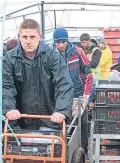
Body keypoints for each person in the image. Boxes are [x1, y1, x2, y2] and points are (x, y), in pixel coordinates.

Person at [3, 19, 74, 129]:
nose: (28, 41)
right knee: (13, 144)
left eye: (32, 37)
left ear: (40, 36)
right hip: (19, 121)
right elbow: (5, 86)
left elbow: (64, 84)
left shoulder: (52, 57)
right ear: (19, 37)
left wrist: (61, 111)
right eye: (24, 37)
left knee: (53, 145)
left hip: (49, 119)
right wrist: (9, 109)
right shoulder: (10, 58)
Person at [53, 28, 93, 156]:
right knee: (61, 124)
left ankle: (84, 152)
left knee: (82, 124)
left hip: (78, 95)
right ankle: (61, 152)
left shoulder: (77, 52)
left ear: (67, 40)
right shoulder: (50, 54)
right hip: (59, 97)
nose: (61, 45)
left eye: (63, 42)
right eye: (58, 42)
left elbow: (88, 73)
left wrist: (86, 96)